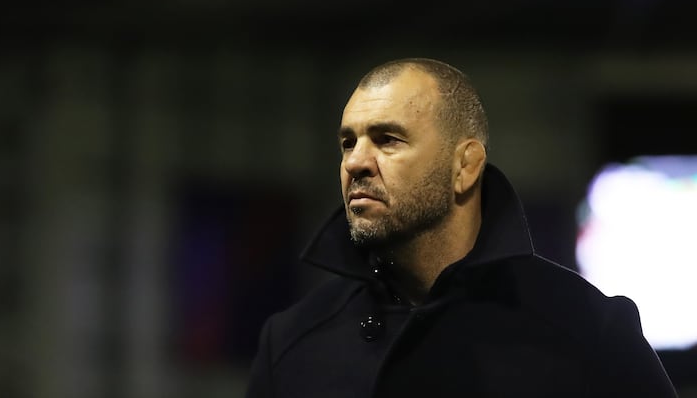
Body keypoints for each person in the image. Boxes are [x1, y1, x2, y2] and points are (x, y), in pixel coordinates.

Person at [245, 58, 678, 397]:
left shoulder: (587, 330)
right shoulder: (291, 342)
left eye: (388, 139)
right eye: (348, 142)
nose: (355, 162)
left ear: (465, 165)